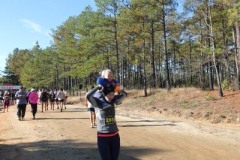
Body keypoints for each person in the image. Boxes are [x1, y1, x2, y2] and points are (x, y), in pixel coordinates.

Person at [86, 85, 127, 160]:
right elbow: (88, 96)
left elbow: (125, 94)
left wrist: (117, 87)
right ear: (104, 94)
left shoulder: (114, 100)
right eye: (109, 94)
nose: (111, 96)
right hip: (103, 138)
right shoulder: (97, 103)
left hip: (115, 136)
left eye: (112, 94)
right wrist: (98, 88)